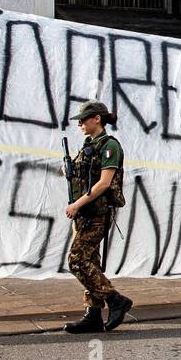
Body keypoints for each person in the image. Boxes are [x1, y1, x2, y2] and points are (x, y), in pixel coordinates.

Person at [63, 101, 133, 333]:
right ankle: (93, 314)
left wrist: (76, 204)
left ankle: (115, 300)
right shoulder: (88, 145)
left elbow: (104, 183)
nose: (80, 123)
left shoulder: (110, 145)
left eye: (84, 119)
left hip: (97, 213)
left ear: (97, 119)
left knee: (77, 261)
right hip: (85, 214)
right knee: (90, 262)